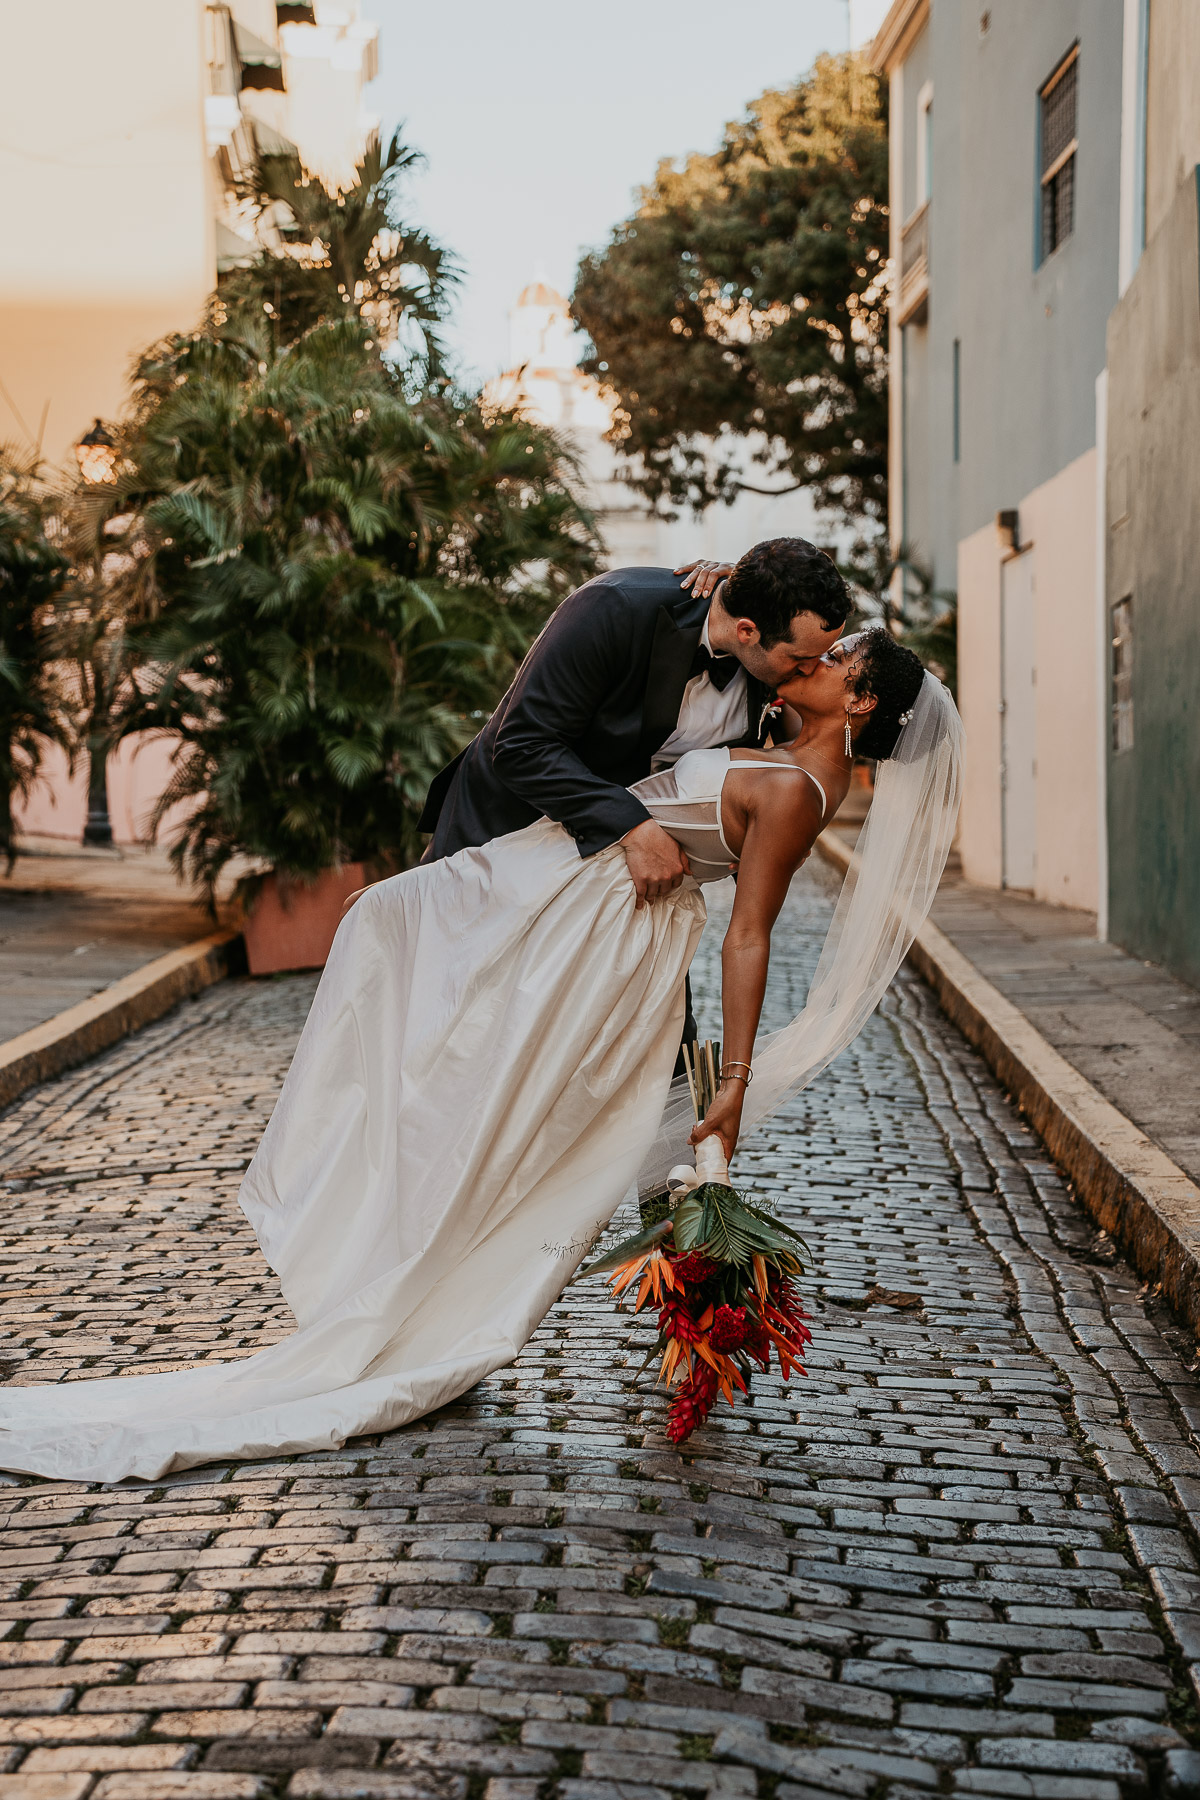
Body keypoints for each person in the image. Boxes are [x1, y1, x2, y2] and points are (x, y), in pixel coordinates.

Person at [0, 624, 961, 1484]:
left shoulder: (799, 791)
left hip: (589, 924)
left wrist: (736, 1080)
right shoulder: (784, 748)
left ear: (866, 702)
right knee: (401, 963)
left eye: (838, 660)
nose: (814, 660)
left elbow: (748, 934)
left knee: (467, 1071)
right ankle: (388, 1233)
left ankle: (415, 1276)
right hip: (564, 878)